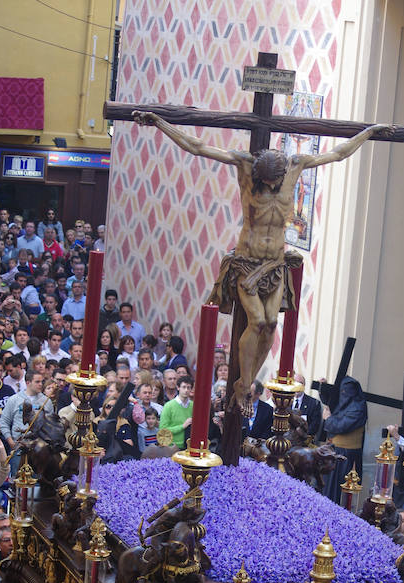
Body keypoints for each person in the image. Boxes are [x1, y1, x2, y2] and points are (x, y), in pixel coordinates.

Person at [135, 109, 388, 409]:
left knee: (270, 324)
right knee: (256, 321)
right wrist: (160, 122)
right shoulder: (245, 166)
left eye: (273, 182)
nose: (269, 187)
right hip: (248, 262)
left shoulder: (296, 166)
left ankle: (247, 381)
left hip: (275, 264)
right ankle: (243, 385)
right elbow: (198, 146)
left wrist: (369, 132)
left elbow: (337, 153)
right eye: (264, 182)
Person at [322, 376, 367, 503]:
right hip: (334, 452)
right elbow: (332, 403)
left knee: (340, 495)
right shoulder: (345, 403)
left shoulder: (357, 408)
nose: (343, 394)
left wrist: (328, 419)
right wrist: (324, 388)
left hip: (346, 456)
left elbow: (342, 425)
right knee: (328, 489)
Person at [159, 376, 193, 449]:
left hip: (189, 446)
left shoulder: (193, 405)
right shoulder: (168, 406)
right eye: (183, 387)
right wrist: (182, 426)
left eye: (188, 387)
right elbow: (163, 430)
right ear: (178, 388)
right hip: (172, 447)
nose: (186, 390)